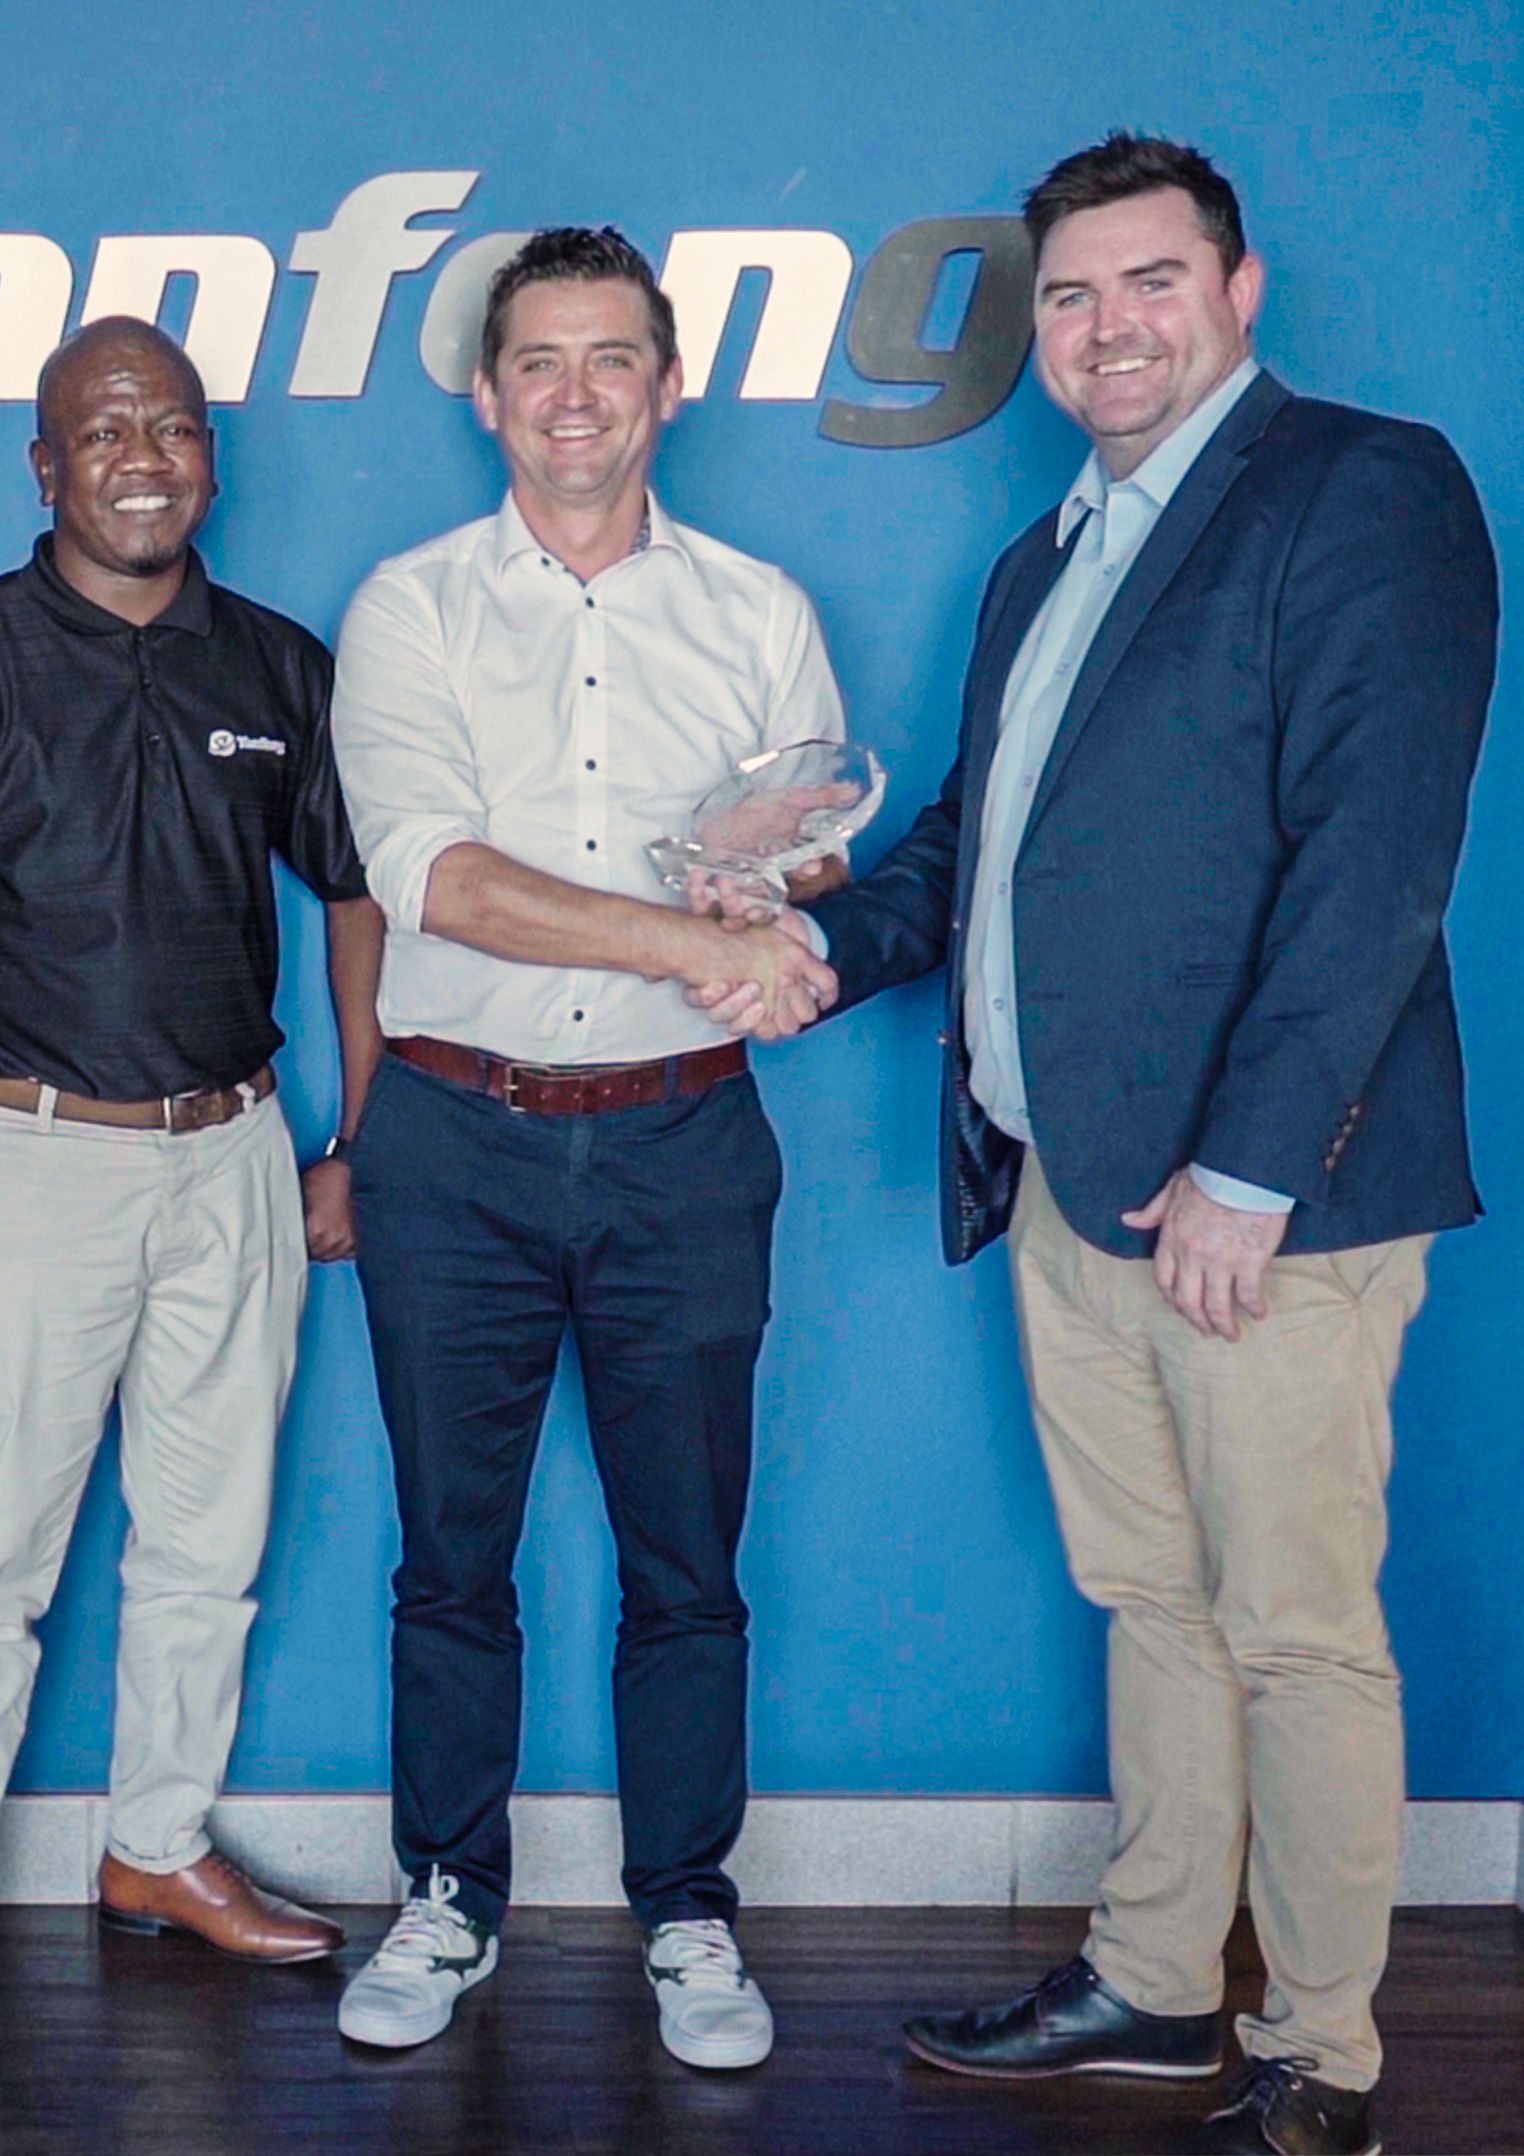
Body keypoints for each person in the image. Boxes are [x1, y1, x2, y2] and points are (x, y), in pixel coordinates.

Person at [773, 136, 1494, 2156]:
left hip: (1263, 1209)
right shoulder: (1046, 559)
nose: (1108, 330)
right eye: (1072, 298)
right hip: (1068, 1194)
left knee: (1292, 1628)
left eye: (1150, 283)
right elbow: (973, 864)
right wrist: (810, 950)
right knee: (1156, 1603)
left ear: (1238, 289)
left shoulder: (1364, 489)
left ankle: (1326, 2052)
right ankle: (1163, 1985)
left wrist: (1251, 1173)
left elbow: (1375, 861)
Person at [0, 319, 384, 2092]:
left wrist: (358, 1132)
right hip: (20, 1159)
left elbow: (358, 899)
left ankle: (154, 1843)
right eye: (101, 428)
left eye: (173, 423)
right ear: (45, 469)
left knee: (207, 1548)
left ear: (210, 456)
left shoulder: (281, 665)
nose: (142, 452)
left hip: (233, 1154)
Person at [324, 227, 849, 2071]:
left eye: (610, 358)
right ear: (487, 393)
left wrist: (770, 888)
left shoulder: (761, 609)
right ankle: (449, 1894)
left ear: (667, 384)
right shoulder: (410, 608)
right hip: (453, 1140)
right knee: (449, 1559)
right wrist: (695, 939)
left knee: (685, 1560)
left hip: (683, 1146)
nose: (572, 393)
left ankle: (687, 1914)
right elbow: (436, 884)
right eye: (537, 360)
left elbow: (803, 850)